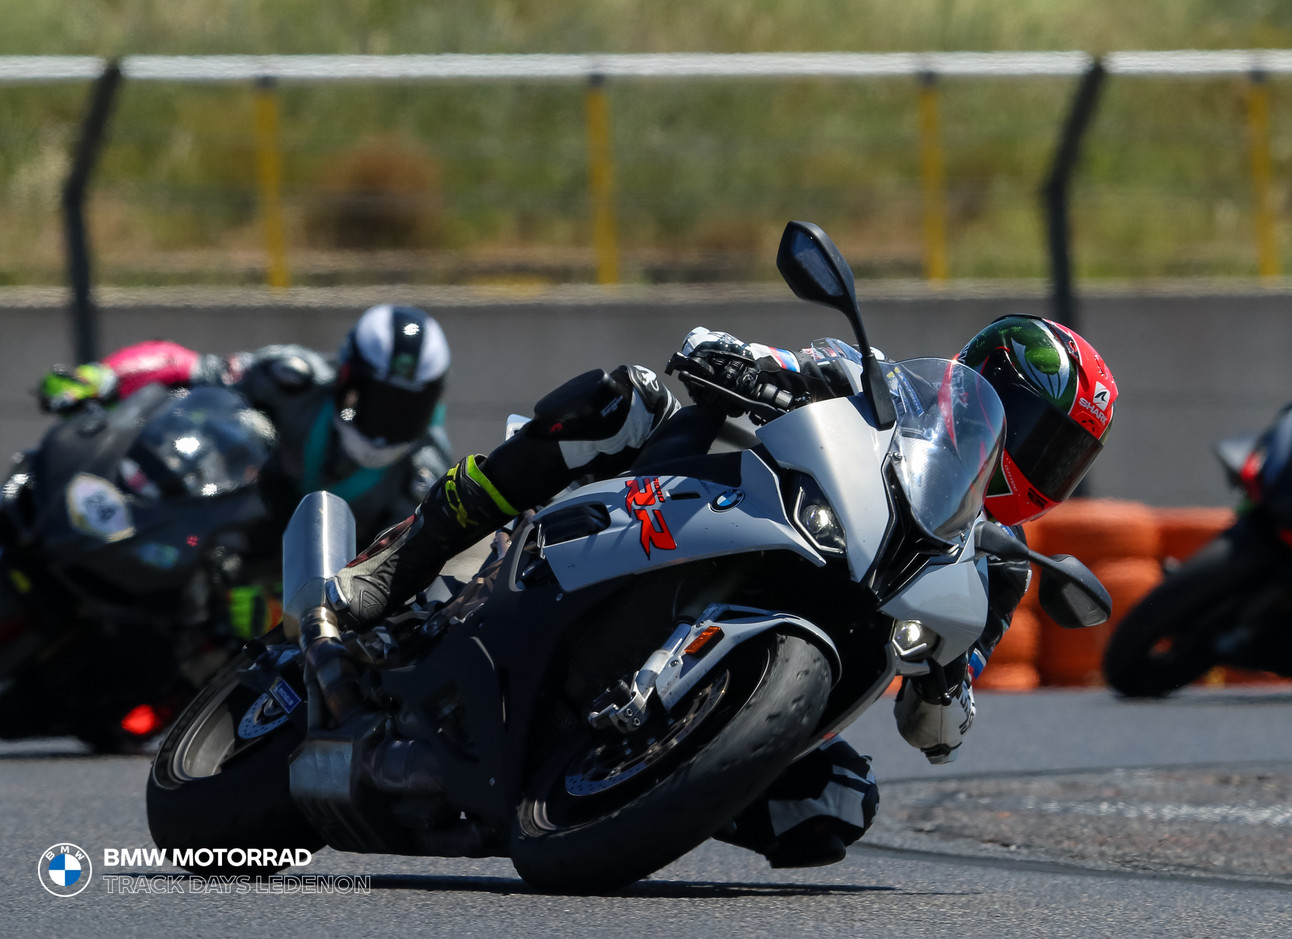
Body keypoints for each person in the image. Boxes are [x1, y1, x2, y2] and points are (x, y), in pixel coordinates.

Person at [312, 315, 1117, 869]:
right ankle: (404, 560)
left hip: (807, 651)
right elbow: (720, 353)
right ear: (979, 386)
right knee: (623, 397)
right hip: (690, 516)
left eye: (1061, 454)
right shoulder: (875, 395)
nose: (1035, 460)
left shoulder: (996, 570)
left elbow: (933, 730)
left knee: (834, 803)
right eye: (1027, 424)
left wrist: (943, 679)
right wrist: (745, 365)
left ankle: (644, 786)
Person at [37, 305, 454, 636]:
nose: (387, 422)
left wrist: (287, 608)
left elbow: (399, 587)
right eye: (379, 399)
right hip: (216, 519)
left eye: (406, 407)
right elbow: (181, 364)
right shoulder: (293, 377)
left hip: (299, 593)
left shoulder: (424, 478)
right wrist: (100, 377)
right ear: (347, 375)